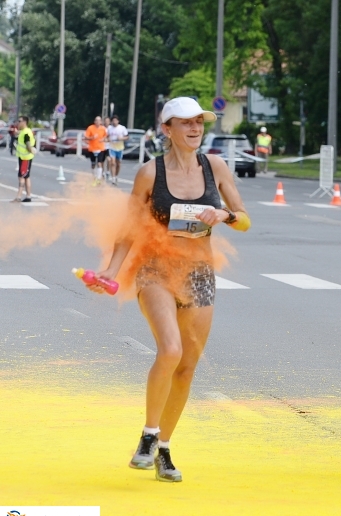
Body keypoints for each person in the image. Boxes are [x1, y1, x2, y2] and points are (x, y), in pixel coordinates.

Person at [88, 97, 251, 482]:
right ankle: (147, 435)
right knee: (171, 349)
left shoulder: (216, 167)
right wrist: (110, 271)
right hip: (155, 270)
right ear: (167, 129)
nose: (195, 129)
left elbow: (243, 219)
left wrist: (224, 215)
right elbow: (129, 229)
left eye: (199, 122)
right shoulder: (149, 173)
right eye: (186, 123)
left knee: (187, 369)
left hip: (199, 273)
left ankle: (164, 448)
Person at [11, 116, 35, 203]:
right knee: (26, 177)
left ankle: (19, 197)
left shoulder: (26, 133)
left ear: (24, 122)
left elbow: (28, 144)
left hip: (25, 158)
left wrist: (31, 150)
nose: (18, 122)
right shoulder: (24, 132)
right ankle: (28, 196)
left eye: (19, 121)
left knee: (21, 177)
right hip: (23, 158)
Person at [106, 115, 129, 186]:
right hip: (112, 147)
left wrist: (121, 138)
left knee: (118, 163)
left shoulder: (122, 128)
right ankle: (113, 178)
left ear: (118, 121)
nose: (114, 122)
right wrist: (108, 139)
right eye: (113, 120)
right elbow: (107, 136)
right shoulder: (109, 128)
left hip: (120, 148)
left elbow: (127, 137)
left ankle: (116, 176)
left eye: (116, 120)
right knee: (112, 162)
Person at [85, 116, 108, 185]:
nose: (98, 122)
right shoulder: (90, 128)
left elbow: (106, 136)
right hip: (92, 148)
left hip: (101, 148)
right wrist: (92, 137)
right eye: (96, 120)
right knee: (93, 164)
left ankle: (98, 178)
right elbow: (86, 137)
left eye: (99, 120)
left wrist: (103, 139)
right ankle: (94, 176)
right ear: (94, 121)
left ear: (101, 122)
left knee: (99, 163)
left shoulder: (103, 129)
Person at [103, 116, 113, 181]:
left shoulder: (111, 128)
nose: (106, 122)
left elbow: (111, 137)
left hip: (109, 147)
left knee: (109, 160)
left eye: (108, 121)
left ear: (109, 122)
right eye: (105, 121)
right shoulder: (102, 128)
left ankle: (108, 172)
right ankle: (103, 172)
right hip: (102, 146)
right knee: (102, 161)